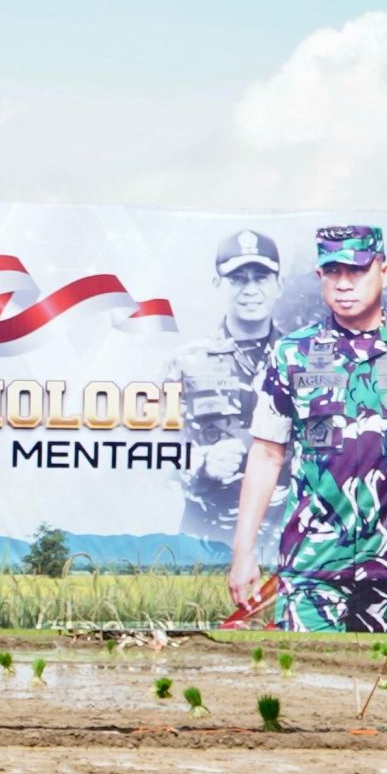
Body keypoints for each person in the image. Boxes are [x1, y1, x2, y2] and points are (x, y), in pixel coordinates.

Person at [226, 224, 387, 633]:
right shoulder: (292, 354)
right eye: (333, 272)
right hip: (311, 569)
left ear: (386, 271)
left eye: (357, 271)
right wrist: (243, 551)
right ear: (320, 277)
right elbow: (266, 454)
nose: (344, 284)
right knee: (306, 686)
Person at [171, 228, 284, 547]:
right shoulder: (183, 362)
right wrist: (202, 464)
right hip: (208, 540)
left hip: (290, 545)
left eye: (260, 278)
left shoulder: (307, 360)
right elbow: (153, 454)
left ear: (279, 285)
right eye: (238, 279)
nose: (250, 290)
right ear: (218, 285)